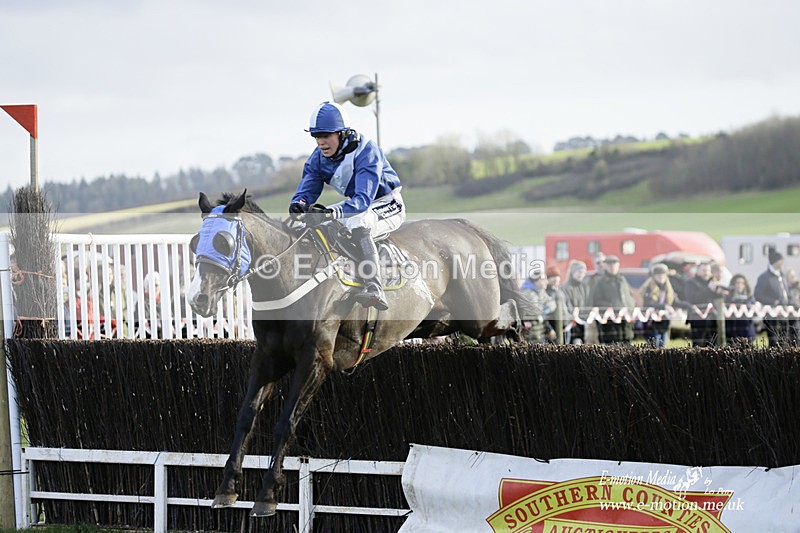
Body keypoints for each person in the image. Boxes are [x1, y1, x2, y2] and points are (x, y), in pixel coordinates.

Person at [289, 101, 405, 311]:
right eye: (316, 136)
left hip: (386, 203)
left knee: (359, 222)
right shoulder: (317, 158)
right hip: (357, 205)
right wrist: (299, 204)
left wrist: (330, 213)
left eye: (326, 135)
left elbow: (362, 200)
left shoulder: (366, 151)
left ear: (342, 134)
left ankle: (374, 287)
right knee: (308, 225)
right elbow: (307, 188)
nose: (321, 142)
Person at [588, 255, 636, 344]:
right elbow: (595, 301)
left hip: (625, 322)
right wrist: (611, 306)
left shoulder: (622, 280)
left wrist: (631, 307)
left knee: (627, 346)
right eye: (610, 265)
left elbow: (630, 296)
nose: (613, 267)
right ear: (605, 266)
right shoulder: (600, 282)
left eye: (615, 264)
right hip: (610, 324)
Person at [754, 249, 793, 347]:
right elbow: (757, 295)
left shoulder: (781, 275)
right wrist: (772, 302)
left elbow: (786, 292)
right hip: (772, 315)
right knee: (774, 341)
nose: (782, 263)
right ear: (776, 261)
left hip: (784, 313)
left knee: (785, 340)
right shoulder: (764, 277)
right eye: (781, 260)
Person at [683, 262, 727, 347]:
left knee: (713, 344)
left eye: (707, 270)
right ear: (697, 271)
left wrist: (718, 293)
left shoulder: (713, 282)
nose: (706, 273)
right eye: (703, 270)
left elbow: (718, 300)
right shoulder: (691, 283)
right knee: (699, 345)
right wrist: (708, 289)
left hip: (712, 319)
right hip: (697, 319)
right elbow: (692, 298)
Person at [638, 263, 678, 347]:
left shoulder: (668, 288)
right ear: (654, 276)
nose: (661, 277)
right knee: (654, 346)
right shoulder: (649, 287)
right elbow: (648, 303)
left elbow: (675, 301)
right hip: (651, 323)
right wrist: (664, 306)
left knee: (663, 345)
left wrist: (689, 306)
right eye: (658, 275)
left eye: (663, 274)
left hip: (663, 322)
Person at [519, 271, 556, 343]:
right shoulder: (528, 293)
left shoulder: (540, 291)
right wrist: (544, 310)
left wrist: (545, 310)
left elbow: (552, 303)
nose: (547, 282)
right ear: (536, 281)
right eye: (544, 280)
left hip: (539, 330)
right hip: (531, 333)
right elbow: (535, 312)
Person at [724, 273, 756, 344]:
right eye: (737, 283)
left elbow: (752, 309)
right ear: (733, 284)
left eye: (742, 283)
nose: (739, 285)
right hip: (732, 332)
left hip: (747, 332)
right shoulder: (727, 298)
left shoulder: (750, 297)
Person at [561, 260, 588, 344]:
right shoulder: (565, 287)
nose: (581, 274)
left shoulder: (583, 287)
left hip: (582, 321)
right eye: (579, 272)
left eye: (583, 272)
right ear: (573, 272)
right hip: (571, 323)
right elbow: (566, 304)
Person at [544, 266, 570, 344]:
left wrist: (569, 320)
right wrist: (549, 329)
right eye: (552, 277)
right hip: (554, 330)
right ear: (547, 279)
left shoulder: (561, 290)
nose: (555, 279)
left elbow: (568, 305)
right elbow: (543, 314)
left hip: (566, 328)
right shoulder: (545, 293)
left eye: (557, 276)